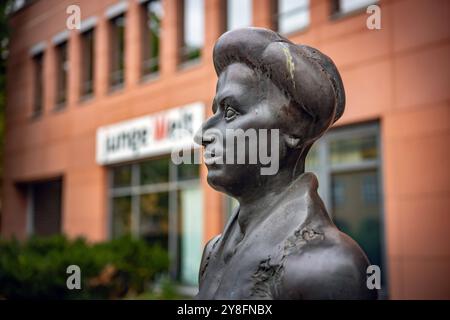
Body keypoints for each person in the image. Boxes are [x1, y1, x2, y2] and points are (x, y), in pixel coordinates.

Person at [195, 27, 377, 300]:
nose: (202, 134)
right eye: (216, 112)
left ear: (294, 127)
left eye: (231, 112)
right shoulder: (213, 253)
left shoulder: (330, 266)